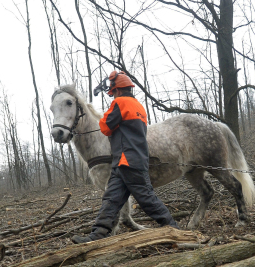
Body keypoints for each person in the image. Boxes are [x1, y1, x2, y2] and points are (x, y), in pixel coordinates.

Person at [72, 71, 178, 244]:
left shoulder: (119, 103)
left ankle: (174, 229)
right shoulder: (138, 107)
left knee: (147, 200)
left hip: (128, 161)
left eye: (112, 93)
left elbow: (105, 128)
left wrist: (108, 111)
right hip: (126, 162)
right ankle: (96, 236)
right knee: (111, 200)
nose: (112, 96)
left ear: (118, 90)